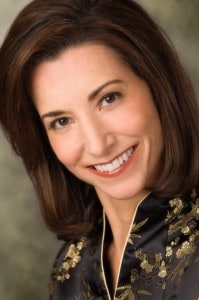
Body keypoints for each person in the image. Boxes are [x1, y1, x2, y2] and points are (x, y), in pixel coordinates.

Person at [0, 0, 198, 299]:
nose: (97, 144)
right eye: (62, 121)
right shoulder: (71, 268)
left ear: (157, 84)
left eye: (108, 98)